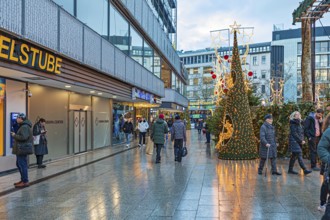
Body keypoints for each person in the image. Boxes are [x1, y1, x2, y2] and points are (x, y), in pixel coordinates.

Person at [11, 113, 33, 188]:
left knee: (22, 165)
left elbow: (23, 137)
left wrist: (14, 135)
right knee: (19, 164)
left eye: (18, 118)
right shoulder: (24, 126)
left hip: (22, 149)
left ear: (21, 119)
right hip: (22, 148)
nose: (17, 119)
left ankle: (25, 181)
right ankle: (23, 179)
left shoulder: (24, 127)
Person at [317, 113, 330, 216]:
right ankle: (322, 203)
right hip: (327, 165)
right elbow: (321, 148)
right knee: (325, 183)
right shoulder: (328, 131)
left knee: (325, 183)